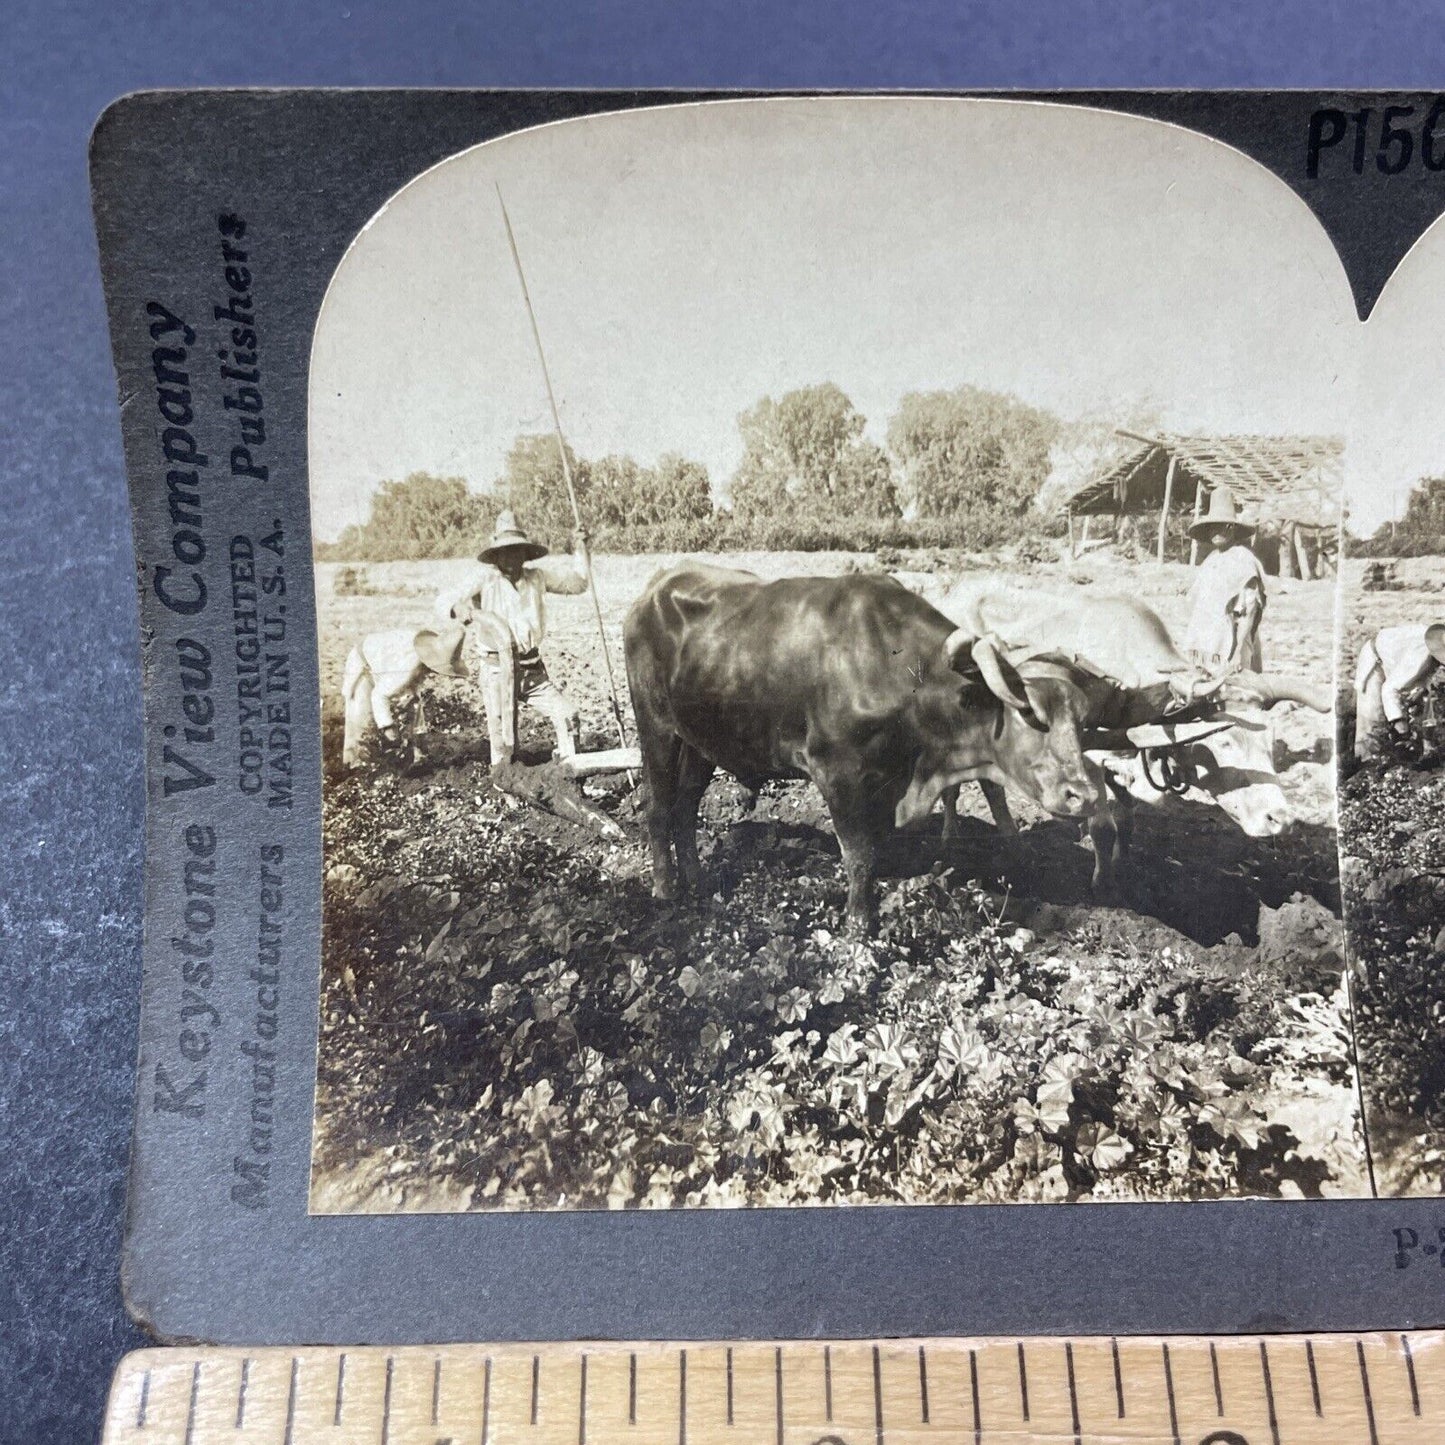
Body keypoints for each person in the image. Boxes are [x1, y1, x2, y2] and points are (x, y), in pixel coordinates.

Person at [437, 510, 590, 764]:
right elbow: (444, 599)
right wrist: (459, 608)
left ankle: (567, 772)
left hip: (532, 671)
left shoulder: (536, 578)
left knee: (568, 716)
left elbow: (578, 584)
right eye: (505, 551)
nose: (512, 557)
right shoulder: (485, 580)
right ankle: (505, 790)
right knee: (503, 743)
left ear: (525, 553)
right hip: (497, 670)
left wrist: (581, 549)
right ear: (496, 556)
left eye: (517, 550)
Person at [1183, 488, 1267, 673]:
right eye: (1211, 527)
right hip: (1206, 644)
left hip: (1230, 645)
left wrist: (1237, 652)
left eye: (1220, 526)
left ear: (1231, 528)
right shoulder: (1211, 560)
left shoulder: (1244, 560)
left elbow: (1249, 612)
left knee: (1232, 693)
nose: (1214, 531)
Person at [1354, 621, 1445, 760]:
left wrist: (1427, 740)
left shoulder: (1434, 656)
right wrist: (1402, 729)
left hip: (1394, 663)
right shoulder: (1421, 656)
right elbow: (1390, 689)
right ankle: (1365, 766)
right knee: (1372, 725)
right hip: (1375, 661)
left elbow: (1427, 695)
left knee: (1408, 707)